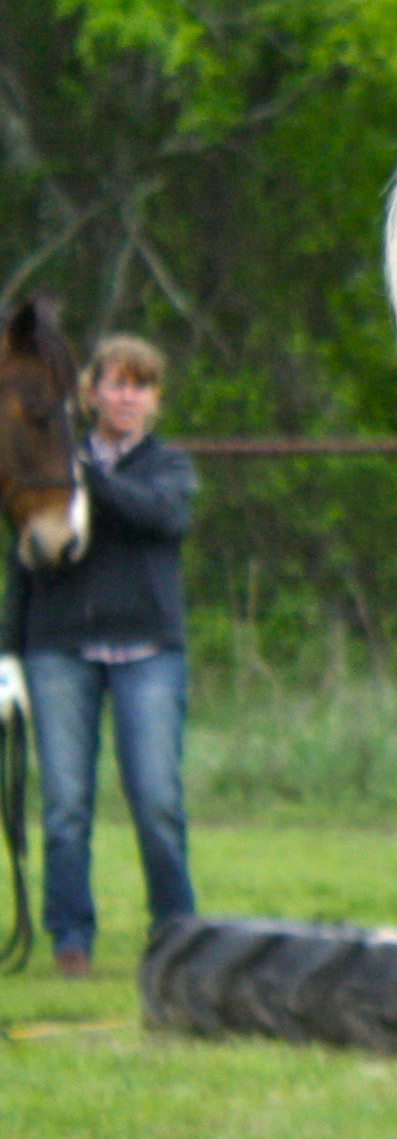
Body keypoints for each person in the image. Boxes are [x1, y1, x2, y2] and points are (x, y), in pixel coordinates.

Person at [0, 334, 198, 979]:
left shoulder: (170, 469)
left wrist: (92, 482)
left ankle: (176, 933)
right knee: (64, 806)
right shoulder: (53, 467)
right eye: (115, 383)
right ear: (89, 394)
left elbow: (162, 519)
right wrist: (8, 654)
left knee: (157, 800)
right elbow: (22, 563)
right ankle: (70, 939)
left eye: (140, 385)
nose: (126, 396)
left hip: (149, 655)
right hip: (60, 652)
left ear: (155, 400)